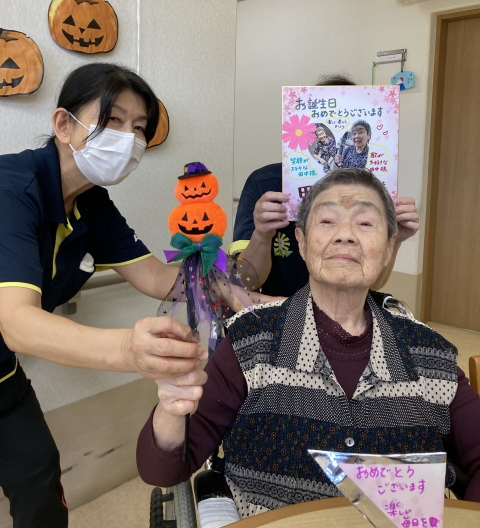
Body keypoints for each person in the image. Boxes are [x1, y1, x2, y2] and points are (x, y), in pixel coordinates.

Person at [137, 168, 480, 517]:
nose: (345, 235)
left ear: (390, 247)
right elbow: (163, 471)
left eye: (365, 223)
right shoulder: (250, 342)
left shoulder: (431, 355)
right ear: (301, 242)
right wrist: (172, 406)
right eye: (327, 221)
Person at [0, 63, 209, 527]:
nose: (129, 139)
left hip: (2, 376)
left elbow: (156, 276)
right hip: (8, 347)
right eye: (114, 120)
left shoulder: (91, 202)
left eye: (139, 128)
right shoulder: (11, 187)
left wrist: (233, 286)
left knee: (38, 480)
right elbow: (16, 322)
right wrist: (130, 350)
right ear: (63, 124)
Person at [230, 75, 418, 297]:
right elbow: (245, 282)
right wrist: (262, 236)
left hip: (343, 314)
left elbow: (373, 283)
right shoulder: (266, 186)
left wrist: (394, 240)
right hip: (274, 312)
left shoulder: (372, 193)